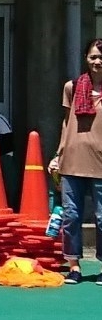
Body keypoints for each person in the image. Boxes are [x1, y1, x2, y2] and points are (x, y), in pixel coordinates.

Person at [51, 37, 102, 282]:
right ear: (86, 58)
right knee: (71, 216)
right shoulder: (72, 87)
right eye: (93, 57)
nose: (97, 61)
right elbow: (66, 122)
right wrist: (58, 154)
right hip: (72, 161)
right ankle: (74, 265)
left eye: (101, 57)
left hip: (100, 164)